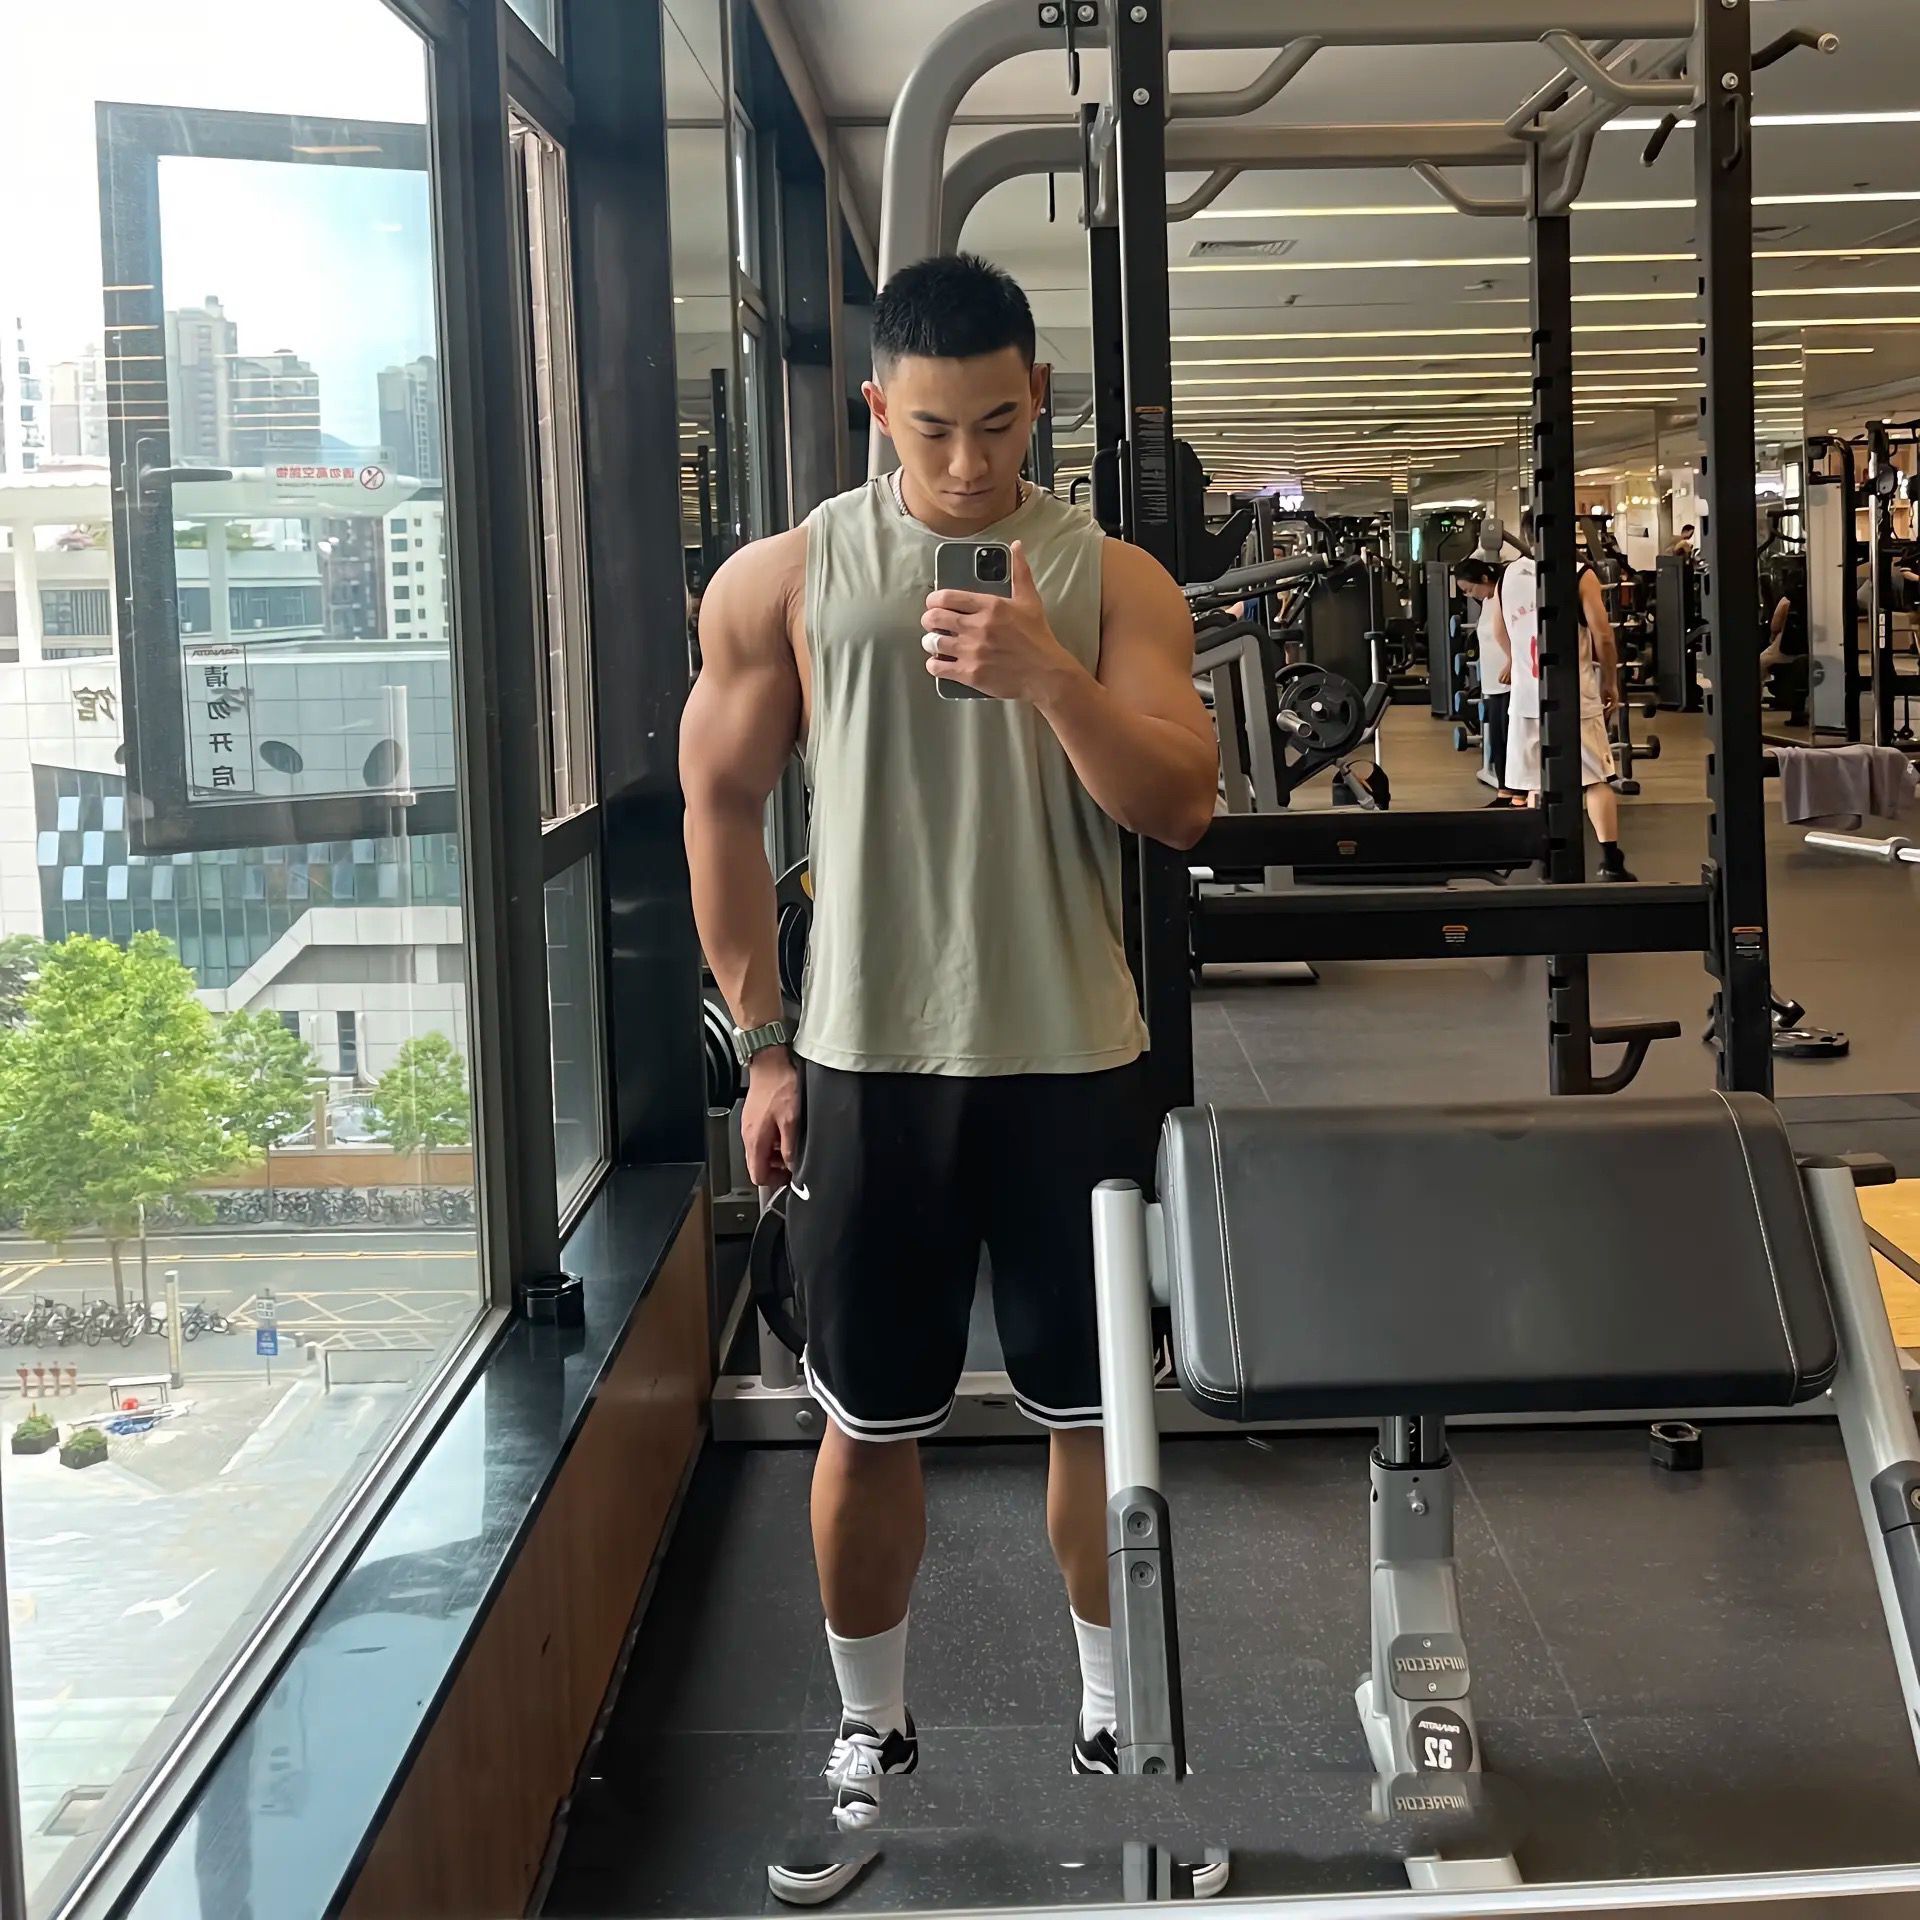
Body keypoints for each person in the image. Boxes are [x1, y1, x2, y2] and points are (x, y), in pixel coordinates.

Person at [680, 254, 1218, 1875]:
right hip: (866, 1066)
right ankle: (872, 1736)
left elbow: (1181, 803)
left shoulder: (1116, 581)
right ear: (877, 411)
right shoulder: (788, 579)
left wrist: (1049, 676)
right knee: (866, 1423)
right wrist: (764, 1047)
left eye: (996, 423)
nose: (969, 462)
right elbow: (717, 804)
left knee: (1097, 1420)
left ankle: (1119, 1723)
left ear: (1038, 396)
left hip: (1074, 1057)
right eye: (932, 430)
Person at [1500, 551, 1637, 880]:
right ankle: (1611, 861)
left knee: (1537, 784)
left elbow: (1500, 631)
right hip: (1575, 696)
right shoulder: (1579, 573)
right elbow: (1603, 635)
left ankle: (1547, 861)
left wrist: (1518, 665)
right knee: (1596, 780)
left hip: (1526, 699)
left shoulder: (1508, 576)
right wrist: (1610, 681)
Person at [1454, 556, 1523, 806]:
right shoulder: (1487, 601)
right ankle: (1504, 792)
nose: (1469, 595)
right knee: (1498, 742)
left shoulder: (1506, 596)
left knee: (1512, 740)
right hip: (1493, 685)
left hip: (1511, 682)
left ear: (1484, 578)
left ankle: (1518, 794)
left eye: (1470, 589)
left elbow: (1521, 633)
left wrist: (1512, 662)